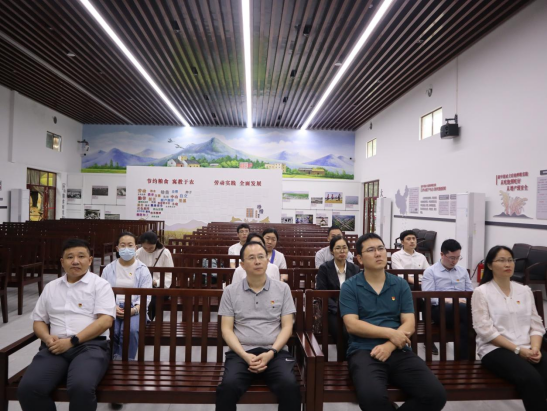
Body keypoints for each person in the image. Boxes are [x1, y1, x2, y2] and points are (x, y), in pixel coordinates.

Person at [339, 233, 446, 411]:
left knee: (435, 395)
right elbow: (352, 325)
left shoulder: (400, 285)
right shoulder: (350, 286)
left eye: (381, 248)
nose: (378, 253)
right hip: (364, 351)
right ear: (359, 258)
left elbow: (409, 323)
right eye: (371, 250)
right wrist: (390, 333)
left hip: (399, 349)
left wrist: (389, 345)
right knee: (372, 399)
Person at [18, 239, 116, 411]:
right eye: (70, 257)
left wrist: (72, 341)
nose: (75, 261)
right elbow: (39, 320)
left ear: (90, 260)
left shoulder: (100, 285)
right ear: (62, 262)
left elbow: (105, 321)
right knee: (29, 389)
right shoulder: (51, 287)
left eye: (81, 256)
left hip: (90, 347)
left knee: (81, 387)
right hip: (55, 348)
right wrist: (47, 338)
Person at [216, 241, 301, 411]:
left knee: (290, 385)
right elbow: (226, 329)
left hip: (275, 352)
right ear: (242, 265)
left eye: (261, 257)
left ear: (267, 261)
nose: (257, 261)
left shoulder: (283, 289)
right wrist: (244, 355)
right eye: (251, 258)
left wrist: (271, 353)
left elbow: (287, 327)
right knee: (228, 387)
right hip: (241, 353)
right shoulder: (230, 291)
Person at [473, 245, 547, 411]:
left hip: (527, 347)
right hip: (495, 350)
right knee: (531, 379)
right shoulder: (482, 292)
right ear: (490, 265)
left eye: (510, 260)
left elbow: (536, 324)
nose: (508, 264)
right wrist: (518, 350)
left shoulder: (524, 290)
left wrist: (535, 348)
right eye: (501, 260)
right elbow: (485, 331)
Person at [102, 232, 152, 360]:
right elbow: (102, 293)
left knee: (130, 331)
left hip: (135, 308)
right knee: (113, 330)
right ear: (117, 248)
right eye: (123, 245)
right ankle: (111, 361)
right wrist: (112, 307)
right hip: (112, 307)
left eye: (130, 245)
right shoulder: (109, 269)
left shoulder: (143, 270)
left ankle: (126, 362)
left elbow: (146, 296)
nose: (126, 248)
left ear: (136, 248)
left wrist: (134, 310)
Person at [422, 239, 473, 359]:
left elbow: (470, 292)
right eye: (451, 258)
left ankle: (463, 360)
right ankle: (466, 360)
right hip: (439, 310)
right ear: (442, 254)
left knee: (464, 322)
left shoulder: (462, 271)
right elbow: (429, 296)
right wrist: (450, 300)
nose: (454, 261)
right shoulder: (431, 272)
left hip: (461, 309)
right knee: (466, 312)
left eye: (458, 257)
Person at [316, 235, 360, 343]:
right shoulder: (325, 268)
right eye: (338, 248)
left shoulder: (355, 269)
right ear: (332, 251)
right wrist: (339, 310)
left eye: (344, 247)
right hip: (332, 310)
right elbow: (322, 293)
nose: (342, 251)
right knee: (343, 332)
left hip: (352, 310)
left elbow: (359, 292)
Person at [136, 230, 174, 320]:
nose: (147, 250)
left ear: (156, 243)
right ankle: (142, 322)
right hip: (142, 286)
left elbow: (169, 274)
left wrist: (156, 282)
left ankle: (147, 322)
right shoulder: (138, 252)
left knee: (152, 301)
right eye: (145, 248)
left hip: (159, 287)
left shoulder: (164, 252)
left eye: (151, 248)